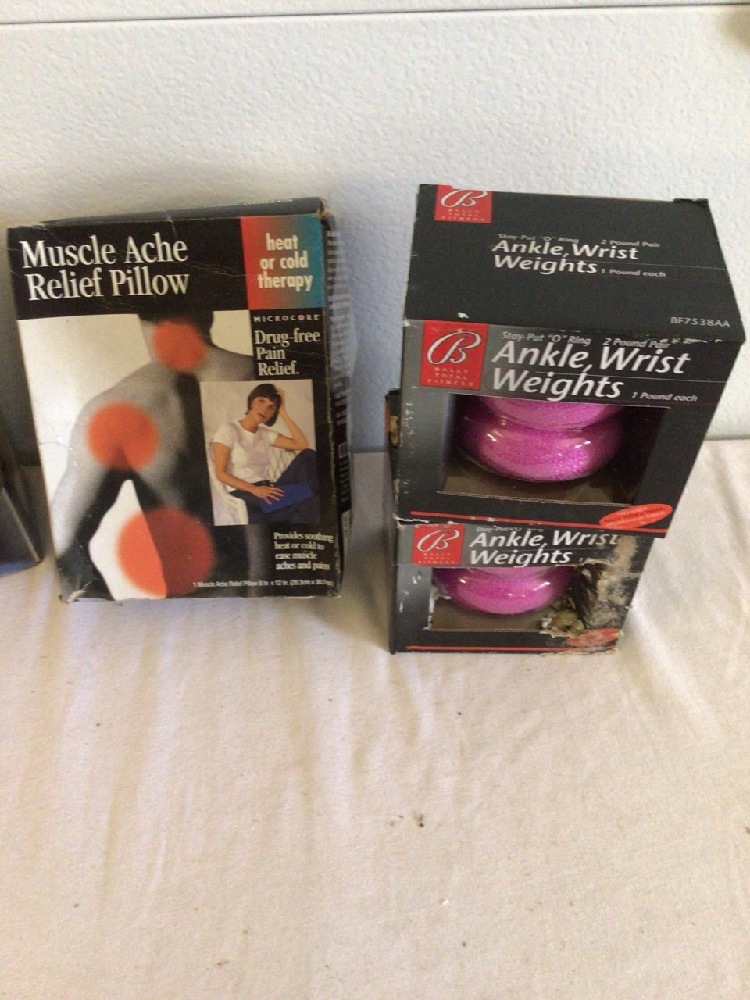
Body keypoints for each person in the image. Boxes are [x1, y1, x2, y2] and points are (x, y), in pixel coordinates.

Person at [53, 302, 264, 599]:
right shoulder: (268, 378)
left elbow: (62, 546)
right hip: (287, 607)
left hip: (199, 613)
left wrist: (106, 614)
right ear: (209, 309)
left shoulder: (117, 409)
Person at [210, 384, 319, 525]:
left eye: (271, 407)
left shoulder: (265, 434)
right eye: (261, 401)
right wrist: (254, 489)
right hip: (245, 493)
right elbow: (221, 474)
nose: (265, 409)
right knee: (312, 497)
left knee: (308, 455)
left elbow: (302, 445)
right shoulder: (228, 430)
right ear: (251, 402)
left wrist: (283, 411)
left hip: (269, 491)